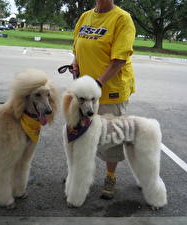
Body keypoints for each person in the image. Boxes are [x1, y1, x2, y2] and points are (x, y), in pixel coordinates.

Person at [71, 0, 136, 199]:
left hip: (110, 90)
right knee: (80, 134)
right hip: (85, 92)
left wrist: (98, 83)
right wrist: (75, 66)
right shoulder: (85, 16)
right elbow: (77, 48)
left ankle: (110, 177)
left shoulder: (122, 19)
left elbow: (119, 59)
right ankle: (79, 175)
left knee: (110, 136)